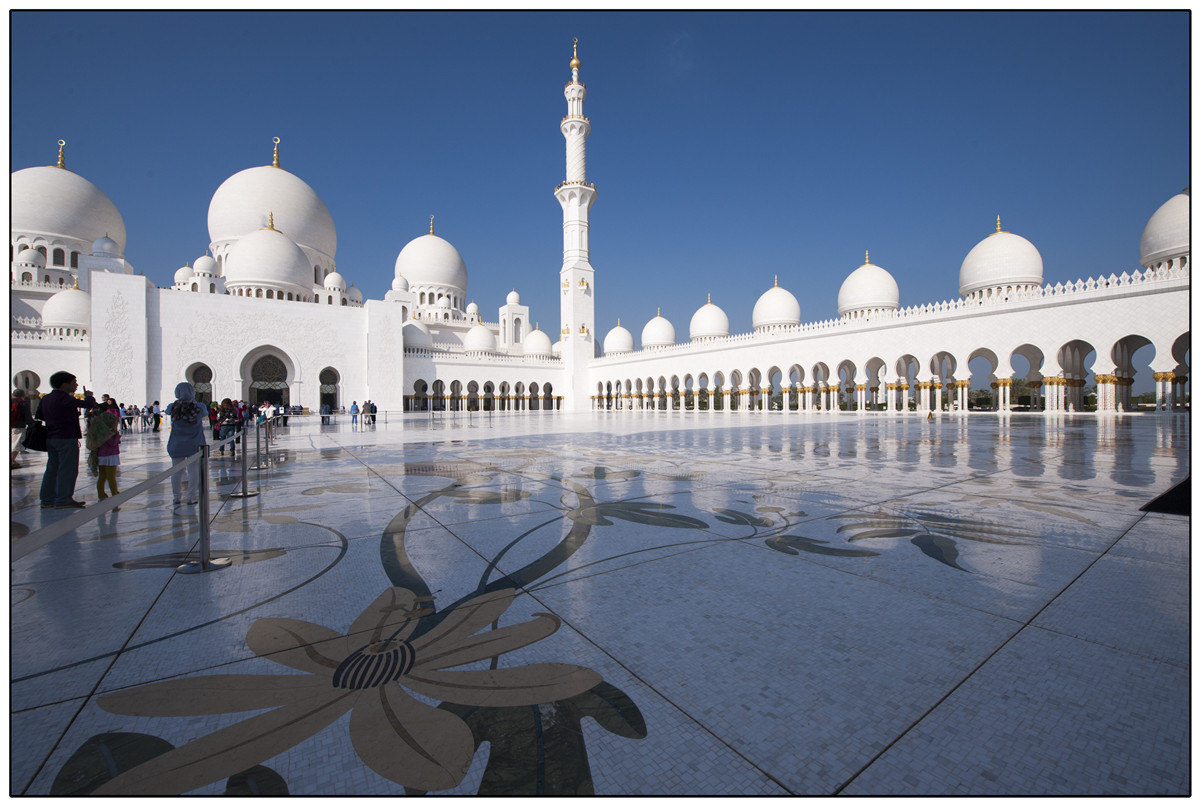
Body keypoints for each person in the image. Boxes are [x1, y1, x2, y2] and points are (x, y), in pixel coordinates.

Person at [38, 371, 96, 508]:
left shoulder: (46, 399)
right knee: (67, 469)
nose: (76, 385)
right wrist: (89, 397)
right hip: (65, 437)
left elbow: (40, 415)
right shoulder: (64, 398)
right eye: (73, 382)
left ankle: (47, 499)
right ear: (65, 384)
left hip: (51, 437)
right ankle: (63, 499)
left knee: (52, 469)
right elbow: (87, 405)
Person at [165, 382, 207, 505]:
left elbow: (167, 412)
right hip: (194, 444)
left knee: (176, 472)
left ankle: (176, 497)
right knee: (193, 471)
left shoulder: (172, 407)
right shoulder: (199, 407)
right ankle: (191, 497)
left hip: (176, 444)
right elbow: (204, 415)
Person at [85, 410, 121, 507]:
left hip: (102, 456)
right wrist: (117, 435)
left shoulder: (99, 430)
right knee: (111, 477)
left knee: (103, 476)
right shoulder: (108, 432)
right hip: (110, 456)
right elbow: (112, 443)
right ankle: (114, 493)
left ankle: (101, 493)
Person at [11, 389, 34, 469]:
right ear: (23, 395)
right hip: (18, 426)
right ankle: (12, 461)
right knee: (16, 443)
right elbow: (27, 416)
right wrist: (32, 424)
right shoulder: (23, 403)